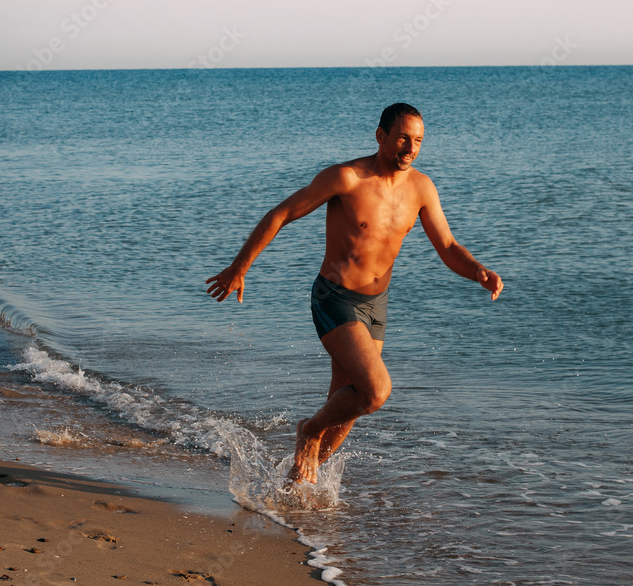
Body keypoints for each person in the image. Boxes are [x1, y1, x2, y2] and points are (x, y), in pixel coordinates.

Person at [205, 103, 503, 484]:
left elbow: (447, 245)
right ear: (380, 136)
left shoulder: (422, 188)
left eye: (418, 141)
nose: (410, 148)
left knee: (348, 406)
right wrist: (239, 267)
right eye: (402, 138)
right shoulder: (346, 178)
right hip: (335, 299)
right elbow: (282, 213)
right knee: (375, 391)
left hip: (376, 305)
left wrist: (478, 271)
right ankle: (308, 430)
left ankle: (296, 488)